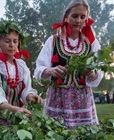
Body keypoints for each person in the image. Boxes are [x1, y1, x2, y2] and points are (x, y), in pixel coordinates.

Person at [34, 0, 104, 129]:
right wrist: (51, 71)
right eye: (75, 16)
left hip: (82, 100)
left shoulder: (92, 43)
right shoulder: (53, 41)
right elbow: (39, 69)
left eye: (83, 17)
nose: (78, 20)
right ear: (66, 17)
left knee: (83, 134)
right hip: (58, 98)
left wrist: (92, 73)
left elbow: (98, 73)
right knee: (56, 133)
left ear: (87, 19)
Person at [0, 20, 43, 128]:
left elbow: (26, 90)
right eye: (7, 41)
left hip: (16, 120)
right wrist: (15, 109)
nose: (12, 45)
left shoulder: (21, 65)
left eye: (15, 41)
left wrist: (31, 97)